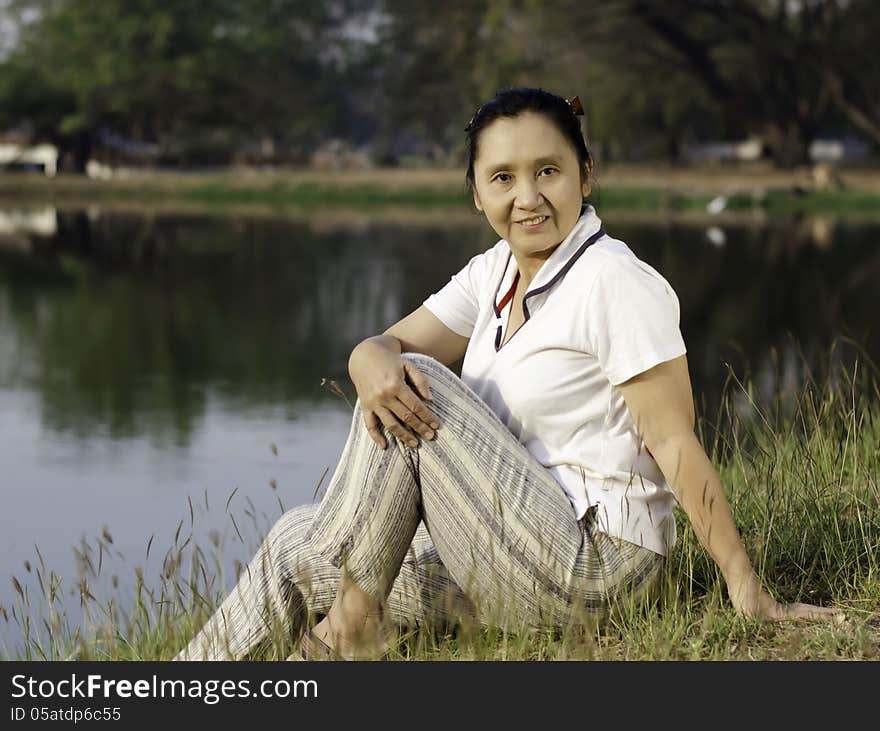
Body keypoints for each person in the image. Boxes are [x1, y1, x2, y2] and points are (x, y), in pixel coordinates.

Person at [175, 87, 839, 661]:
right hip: (502, 548)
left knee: (412, 381)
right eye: (503, 178)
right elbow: (383, 346)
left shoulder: (616, 281)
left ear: (585, 172)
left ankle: (350, 627)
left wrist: (747, 586)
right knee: (298, 535)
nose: (529, 197)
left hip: (596, 569)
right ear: (475, 191)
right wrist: (362, 357)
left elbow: (674, 442)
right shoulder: (492, 272)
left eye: (548, 170)